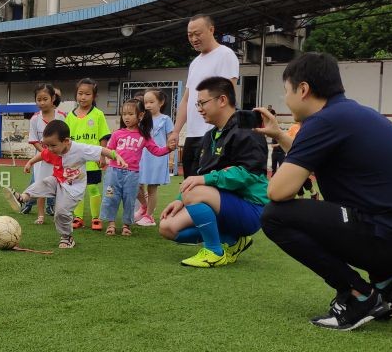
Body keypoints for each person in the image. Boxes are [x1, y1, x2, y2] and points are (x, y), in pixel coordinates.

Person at [257, 53, 392, 331]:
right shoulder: (350, 114)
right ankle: (388, 287)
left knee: (275, 216)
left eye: (286, 91)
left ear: (303, 89)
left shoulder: (323, 122)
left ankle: (359, 295)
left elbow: (278, 191)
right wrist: (281, 136)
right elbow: (314, 158)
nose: (285, 99)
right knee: (350, 212)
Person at [158, 77, 268, 268]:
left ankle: (214, 252)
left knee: (194, 191)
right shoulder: (210, 135)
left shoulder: (246, 130)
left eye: (202, 103)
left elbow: (249, 174)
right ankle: (232, 240)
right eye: (197, 104)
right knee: (167, 227)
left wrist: (205, 180)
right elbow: (201, 173)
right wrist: (179, 198)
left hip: (252, 208)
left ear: (222, 100)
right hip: (220, 202)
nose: (199, 108)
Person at [3, 119, 128, 249]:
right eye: (47, 145)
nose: (50, 149)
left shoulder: (80, 149)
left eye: (53, 146)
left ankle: (67, 238)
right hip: (58, 180)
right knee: (44, 182)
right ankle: (22, 198)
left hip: (73, 189)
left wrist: (116, 156)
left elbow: (101, 150)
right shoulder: (52, 149)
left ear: (66, 141)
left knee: (61, 213)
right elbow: (42, 154)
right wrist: (30, 162)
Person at [167, 14, 240, 178]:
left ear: (211, 29)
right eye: (189, 35)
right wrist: (176, 131)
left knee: (205, 187)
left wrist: (221, 133)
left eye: (197, 33)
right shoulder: (195, 63)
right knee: (189, 185)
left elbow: (228, 96)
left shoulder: (225, 55)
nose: (193, 39)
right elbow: (186, 100)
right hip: (192, 135)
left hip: (212, 134)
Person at [100, 99, 171, 236]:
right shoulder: (117, 134)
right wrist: (102, 158)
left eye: (130, 114)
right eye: (124, 114)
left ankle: (126, 225)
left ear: (140, 115)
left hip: (132, 174)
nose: (126, 117)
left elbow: (156, 151)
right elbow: (108, 149)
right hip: (113, 172)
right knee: (110, 197)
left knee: (130, 199)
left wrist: (168, 148)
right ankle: (111, 224)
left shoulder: (144, 136)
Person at [64, 78, 111, 231]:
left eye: (87, 94)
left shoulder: (98, 115)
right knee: (76, 188)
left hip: (92, 160)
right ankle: (78, 218)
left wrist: (102, 156)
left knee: (92, 188)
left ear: (94, 96)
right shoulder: (70, 116)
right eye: (80, 93)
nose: (83, 97)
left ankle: (96, 218)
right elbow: (66, 139)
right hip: (75, 161)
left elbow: (103, 136)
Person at [26, 84, 65, 224]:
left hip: (60, 159)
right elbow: (34, 140)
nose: (42, 102)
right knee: (41, 185)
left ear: (53, 98)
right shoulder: (35, 119)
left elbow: (67, 138)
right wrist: (46, 153)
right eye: (39, 99)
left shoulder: (62, 117)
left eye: (45, 99)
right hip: (42, 161)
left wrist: (56, 153)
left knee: (60, 186)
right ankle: (41, 215)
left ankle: (59, 213)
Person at [136, 89, 173, 226]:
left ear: (161, 102)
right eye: (146, 102)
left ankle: (149, 216)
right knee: (136, 185)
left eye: (151, 102)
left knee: (152, 188)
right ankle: (145, 206)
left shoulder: (165, 119)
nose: (148, 105)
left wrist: (171, 158)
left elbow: (171, 139)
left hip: (158, 158)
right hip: (142, 157)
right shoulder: (141, 118)